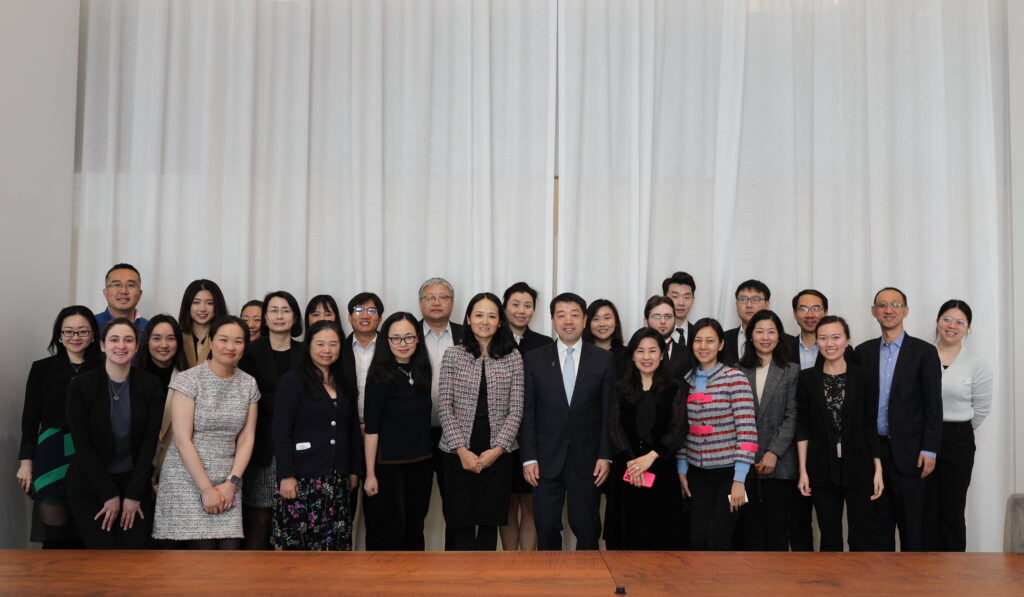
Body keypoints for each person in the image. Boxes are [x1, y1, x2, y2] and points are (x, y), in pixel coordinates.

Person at [151, 316, 259, 549]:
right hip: (187, 479)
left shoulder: (249, 383)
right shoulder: (189, 379)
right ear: (210, 341)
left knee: (230, 555)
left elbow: (247, 438)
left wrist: (232, 482)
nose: (230, 347)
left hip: (227, 481)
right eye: (223, 340)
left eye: (238, 341)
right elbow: (182, 440)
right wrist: (205, 489)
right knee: (199, 558)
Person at [519, 293, 615, 550]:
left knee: (586, 528)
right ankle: (552, 576)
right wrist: (529, 458)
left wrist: (605, 455)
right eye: (561, 315)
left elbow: (608, 412)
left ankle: (588, 576)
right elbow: (528, 412)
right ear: (552, 320)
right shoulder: (534, 359)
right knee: (546, 526)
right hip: (544, 458)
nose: (568, 321)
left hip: (588, 459)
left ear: (584, 320)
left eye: (574, 315)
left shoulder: (603, 359)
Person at [854, 287, 942, 551]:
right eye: (882, 305)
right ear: (873, 311)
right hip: (873, 452)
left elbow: (933, 405)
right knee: (877, 530)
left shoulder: (924, 352)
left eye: (895, 304)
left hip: (911, 452)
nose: (888, 310)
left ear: (906, 311)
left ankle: (914, 578)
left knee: (912, 530)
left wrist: (930, 448)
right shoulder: (863, 352)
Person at [66, 319, 164, 548]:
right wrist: (108, 494)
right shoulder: (80, 386)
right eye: (114, 339)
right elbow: (83, 445)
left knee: (133, 555)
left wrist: (133, 494)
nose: (121, 345)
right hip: (91, 483)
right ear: (102, 345)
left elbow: (149, 442)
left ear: (136, 347)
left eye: (128, 340)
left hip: (134, 483)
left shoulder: (151, 385)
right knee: (101, 556)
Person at [438, 292, 524, 550]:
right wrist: (462, 451)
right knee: (460, 524)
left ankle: (486, 576)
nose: (484, 321)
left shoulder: (513, 356)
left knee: (489, 525)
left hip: (497, 453)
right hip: (456, 453)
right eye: (478, 315)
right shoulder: (453, 355)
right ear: (468, 318)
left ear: (500, 321)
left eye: (491, 316)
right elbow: (445, 406)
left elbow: (516, 410)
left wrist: (496, 450)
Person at [272, 320, 363, 551]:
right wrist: (286, 475)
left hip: (337, 480)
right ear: (309, 346)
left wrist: (354, 470)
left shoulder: (344, 381)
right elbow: (281, 431)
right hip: (302, 479)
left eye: (333, 344)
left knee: (336, 549)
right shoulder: (293, 381)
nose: (327, 350)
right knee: (299, 549)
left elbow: (352, 430)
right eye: (320, 344)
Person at [17, 306, 103, 548]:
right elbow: (30, 417)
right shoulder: (41, 368)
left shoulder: (105, 368)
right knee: (55, 533)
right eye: (68, 331)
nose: (75, 337)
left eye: (82, 331)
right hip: (51, 453)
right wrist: (26, 463)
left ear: (93, 335)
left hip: (92, 452)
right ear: (59, 335)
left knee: (90, 530)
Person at [796, 316, 884, 551]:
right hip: (820, 467)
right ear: (817, 342)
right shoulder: (806, 379)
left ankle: (859, 577)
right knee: (829, 538)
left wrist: (878, 469)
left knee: (860, 538)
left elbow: (870, 424)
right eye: (823, 338)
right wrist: (803, 471)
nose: (830, 343)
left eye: (836, 337)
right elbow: (803, 427)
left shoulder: (863, 376)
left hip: (859, 465)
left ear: (847, 340)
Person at [676, 318, 758, 550]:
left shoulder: (735, 378)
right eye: (698, 340)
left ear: (721, 344)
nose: (703, 346)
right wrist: (682, 470)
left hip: (731, 475)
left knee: (718, 541)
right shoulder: (686, 380)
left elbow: (747, 433)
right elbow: (681, 430)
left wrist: (739, 481)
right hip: (697, 474)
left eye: (710, 341)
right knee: (697, 540)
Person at [604, 328, 689, 550]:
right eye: (640, 351)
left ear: (662, 354)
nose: (646, 356)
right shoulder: (619, 388)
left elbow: (678, 429)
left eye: (652, 351)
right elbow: (614, 428)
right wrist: (633, 463)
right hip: (626, 471)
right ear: (632, 355)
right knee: (626, 539)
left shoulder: (676, 387)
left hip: (661, 469)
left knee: (661, 539)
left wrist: (650, 457)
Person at [923, 300, 992, 551]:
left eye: (960, 322)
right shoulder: (922, 355)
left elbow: (981, 408)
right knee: (925, 507)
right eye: (947, 319)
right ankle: (926, 568)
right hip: (923, 438)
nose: (952, 326)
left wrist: (958, 428)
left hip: (958, 438)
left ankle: (954, 568)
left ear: (968, 328)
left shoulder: (976, 362)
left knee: (952, 508)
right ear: (938, 322)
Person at [362, 312, 434, 550]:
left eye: (409, 337)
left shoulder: (423, 370)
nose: (403, 344)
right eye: (396, 338)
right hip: (388, 466)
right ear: (387, 341)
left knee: (415, 527)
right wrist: (370, 473)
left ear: (418, 338)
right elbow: (371, 429)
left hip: (421, 462)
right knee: (392, 530)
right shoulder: (379, 376)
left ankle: (415, 574)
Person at [238, 291, 303, 550]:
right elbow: (248, 395)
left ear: (295, 317)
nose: (279, 316)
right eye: (274, 310)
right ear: (265, 317)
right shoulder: (250, 352)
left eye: (285, 310)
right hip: (261, 446)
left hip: (299, 445)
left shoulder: (305, 352)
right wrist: (289, 403)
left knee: (294, 518)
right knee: (259, 518)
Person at [735, 310, 799, 550]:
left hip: (780, 463)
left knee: (778, 526)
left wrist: (774, 451)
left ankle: (778, 575)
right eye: (759, 331)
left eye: (771, 332)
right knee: (748, 526)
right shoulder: (736, 370)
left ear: (779, 336)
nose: (765, 337)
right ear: (750, 336)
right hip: (743, 463)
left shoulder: (791, 370)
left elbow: (792, 415)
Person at [500, 282, 551, 551]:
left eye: (528, 305)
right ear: (505, 306)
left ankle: (528, 563)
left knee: (532, 502)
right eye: (516, 304)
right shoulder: (493, 340)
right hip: (500, 437)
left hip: (535, 435)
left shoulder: (545, 344)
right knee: (506, 502)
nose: (522, 310)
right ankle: (510, 562)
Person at [417, 277, 464, 547]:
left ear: (452, 303)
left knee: (456, 506)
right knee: (416, 506)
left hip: (456, 435)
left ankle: (455, 565)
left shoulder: (467, 335)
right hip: (416, 433)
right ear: (420, 303)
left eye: (443, 297)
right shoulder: (406, 333)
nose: (436, 302)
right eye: (429, 297)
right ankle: (414, 567)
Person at [136, 315, 189, 484]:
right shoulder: (132, 378)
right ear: (146, 341)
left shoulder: (189, 379)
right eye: (157, 338)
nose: (164, 345)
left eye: (171, 339)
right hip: (137, 465)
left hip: (176, 468)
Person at [340, 292, 384, 425]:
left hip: (383, 425)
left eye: (371, 311)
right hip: (345, 425)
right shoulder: (338, 349)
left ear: (380, 318)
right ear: (349, 317)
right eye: (358, 310)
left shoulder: (391, 348)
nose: (365, 315)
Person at [178, 279, 229, 367]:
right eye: (196, 302)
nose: (202, 309)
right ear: (187, 305)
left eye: (209, 303)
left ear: (217, 305)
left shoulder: (227, 337)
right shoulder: (176, 335)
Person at [722, 280, 772, 366]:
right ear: (736, 304)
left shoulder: (784, 341)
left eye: (755, 299)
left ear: (767, 304)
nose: (749, 305)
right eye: (743, 299)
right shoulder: (723, 339)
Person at [95, 263, 149, 333]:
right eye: (117, 285)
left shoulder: (149, 329)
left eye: (131, 285)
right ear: (106, 293)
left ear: (140, 294)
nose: (124, 291)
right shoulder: (91, 325)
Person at [662, 271, 697, 376]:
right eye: (675, 296)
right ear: (665, 298)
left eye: (687, 297)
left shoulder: (698, 333)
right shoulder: (655, 333)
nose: (681, 303)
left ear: (693, 300)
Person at [643, 295, 686, 380]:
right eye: (656, 316)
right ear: (646, 321)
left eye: (668, 316)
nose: (663, 321)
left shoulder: (686, 353)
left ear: (674, 320)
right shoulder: (634, 351)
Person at [581, 299, 626, 368]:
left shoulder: (627, 354)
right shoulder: (579, 353)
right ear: (587, 323)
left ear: (616, 322)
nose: (602, 324)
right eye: (596, 319)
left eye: (607, 318)